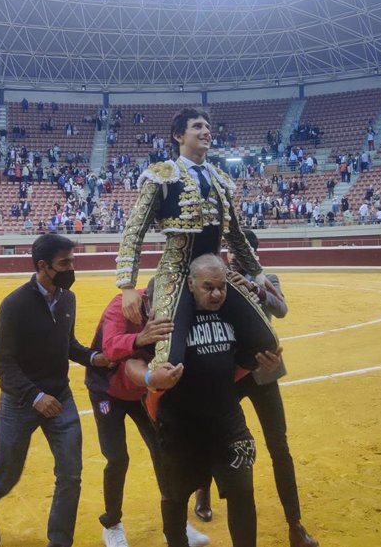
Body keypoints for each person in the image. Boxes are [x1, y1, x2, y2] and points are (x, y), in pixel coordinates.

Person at [125, 254, 277, 547]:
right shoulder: (166, 317)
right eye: (208, 287)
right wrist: (148, 379)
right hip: (180, 425)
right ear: (191, 285)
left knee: (243, 494)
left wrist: (262, 364)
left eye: (221, 287)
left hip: (228, 423)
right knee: (175, 498)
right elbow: (133, 363)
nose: (217, 293)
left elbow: (244, 361)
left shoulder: (232, 314)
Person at [0, 234, 111, 547]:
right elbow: (3, 363)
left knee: (71, 474)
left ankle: (59, 542)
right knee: (7, 474)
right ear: (43, 266)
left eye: (72, 261)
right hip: (20, 402)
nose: (72, 268)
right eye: (65, 263)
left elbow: (68, 345)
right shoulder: (14, 305)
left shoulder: (67, 299)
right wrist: (35, 396)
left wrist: (93, 357)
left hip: (60, 397)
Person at [115, 107, 278, 371]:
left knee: (267, 342)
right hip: (176, 274)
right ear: (179, 135)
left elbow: (234, 234)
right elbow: (134, 230)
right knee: (168, 361)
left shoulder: (221, 180)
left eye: (207, 127)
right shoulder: (162, 175)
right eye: (198, 127)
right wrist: (127, 286)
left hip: (216, 274)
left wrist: (258, 274)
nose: (206, 132)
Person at [193, 230, 319, 547]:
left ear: (251, 252)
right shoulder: (217, 279)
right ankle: (203, 494)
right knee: (211, 436)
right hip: (230, 371)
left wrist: (255, 290)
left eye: (239, 249)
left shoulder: (265, 277)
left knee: (279, 446)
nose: (233, 254)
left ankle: (295, 525)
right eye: (231, 249)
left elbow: (281, 310)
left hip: (263, 371)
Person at [85, 282, 209, 547]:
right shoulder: (121, 306)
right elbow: (109, 348)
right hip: (107, 390)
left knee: (165, 452)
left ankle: (174, 524)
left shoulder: (177, 311)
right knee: (117, 458)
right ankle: (112, 524)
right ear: (147, 302)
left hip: (144, 390)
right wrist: (141, 338)